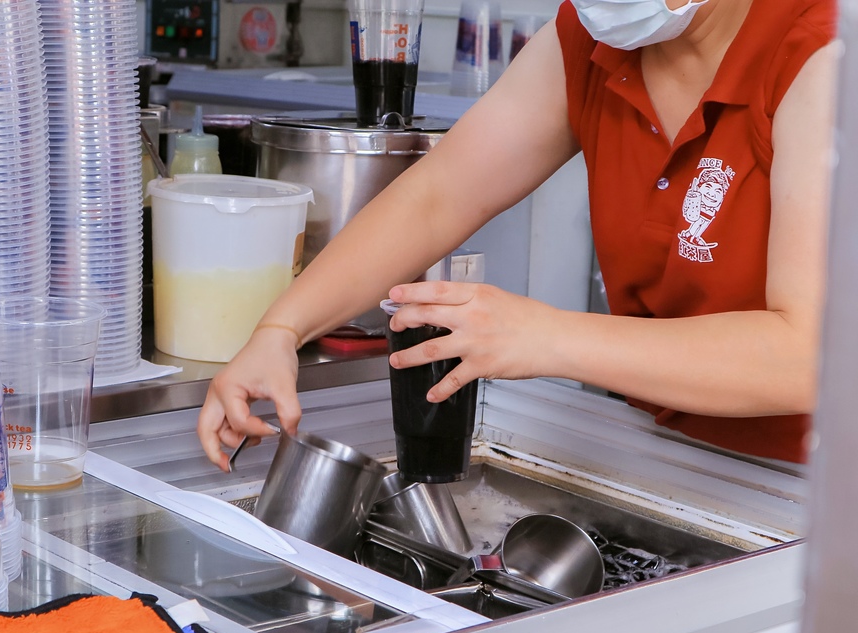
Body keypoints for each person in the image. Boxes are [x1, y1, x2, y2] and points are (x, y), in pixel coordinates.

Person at [197, 0, 838, 468]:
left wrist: (545, 335)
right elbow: (438, 196)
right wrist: (281, 330)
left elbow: (807, 355)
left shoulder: (822, 53)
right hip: (667, 454)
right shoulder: (588, 42)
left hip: (817, 485)